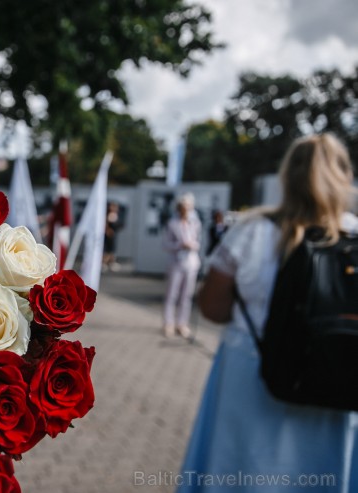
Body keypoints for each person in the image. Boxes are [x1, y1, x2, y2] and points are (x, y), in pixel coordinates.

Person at [178, 133, 358, 492]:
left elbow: (212, 308)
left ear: (287, 176)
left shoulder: (251, 231)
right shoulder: (354, 234)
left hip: (253, 376)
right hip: (338, 377)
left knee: (241, 471)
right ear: (343, 176)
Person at [161, 193, 201, 338]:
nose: (186, 210)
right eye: (184, 207)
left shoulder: (195, 223)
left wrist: (192, 245)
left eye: (189, 207)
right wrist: (180, 245)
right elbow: (165, 244)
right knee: (172, 294)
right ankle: (168, 323)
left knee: (187, 295)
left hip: (191, 263)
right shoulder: (172, 223)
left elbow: (198, 242)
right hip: (176, 263)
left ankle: (182, 323)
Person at [102, 201, 123, 271]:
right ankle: (104, 263)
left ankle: (110, 263)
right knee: (108, 250)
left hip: (113, 235)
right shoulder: (108, 214)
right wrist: (107, 230)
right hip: (108, 235)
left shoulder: (116, 215)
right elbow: (106, 225)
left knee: (112, 250)